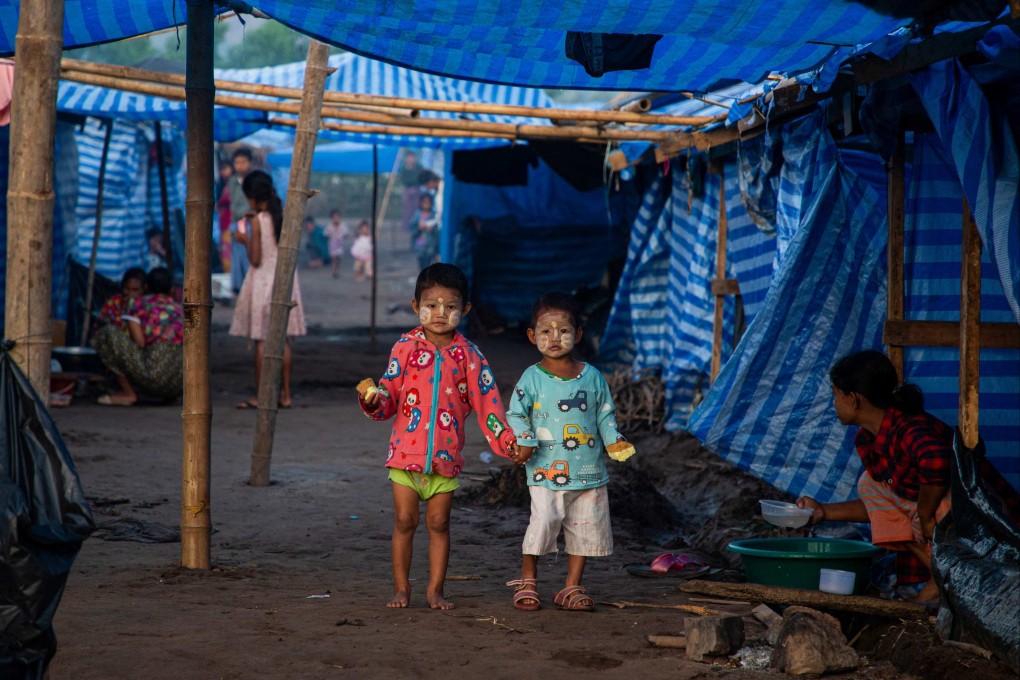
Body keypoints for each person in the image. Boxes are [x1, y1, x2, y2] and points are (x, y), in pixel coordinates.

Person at [357, 263, 517, 610]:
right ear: (416, 306)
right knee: (404, 521)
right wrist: (374, 399)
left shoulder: (471, 357)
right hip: (404, 457)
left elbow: (489, 404)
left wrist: (506, 441)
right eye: (431, 305)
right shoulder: (404, 347)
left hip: (445, 460)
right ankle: (402, 588)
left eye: (451, 306)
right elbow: (389, 394)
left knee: (439, 523)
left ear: (466, 310)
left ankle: (435, 590)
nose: (440, 313)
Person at [504, 292, 634, 612]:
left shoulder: (592, 377)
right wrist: (524, 439)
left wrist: (613, 440)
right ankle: (528, 578)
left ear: (576, 335)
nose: (554, 338)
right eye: (545, 331)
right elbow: (516, 414)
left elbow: (604, 414)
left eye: (563, 330)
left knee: (585, 528)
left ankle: (572, 586)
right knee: (544, 520)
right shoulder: (531, 378)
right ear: (532, 335)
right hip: (546, 470)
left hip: (589, 472)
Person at [796, 350, 952, 604]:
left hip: (968, 517)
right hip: (932, 526)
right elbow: (884, 502)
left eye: (836, 395)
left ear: (855, 399)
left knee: (929, 496)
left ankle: (945, 576)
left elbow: (936, 460)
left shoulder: (908, 427)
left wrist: (924, 514)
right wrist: (823, 511)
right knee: (870, 484)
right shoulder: (868, 439)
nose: (833, 403)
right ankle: (939, 575)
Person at [228, 170, 306, 410]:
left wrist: (244, 239)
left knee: (262, 340)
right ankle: (285, 394)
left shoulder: (257, 221)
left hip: (262, 282)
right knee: (283, 340)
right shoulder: (282, 215)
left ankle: (262, 396)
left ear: (251, 197)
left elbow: (255, 258)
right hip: (284, 280)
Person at [93, 267, 183, 406]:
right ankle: (170, 395)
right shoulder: (179, 309)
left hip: (155, 376)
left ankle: (128, 393)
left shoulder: (137, 304)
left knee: (107, 333)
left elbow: (140, 342)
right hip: (181, 383)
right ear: (171, 289)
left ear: (146, 287)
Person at [225, 147, 254, 294]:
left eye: (243, 162)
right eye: (237, 162)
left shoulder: (254, 180)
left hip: (250, 223)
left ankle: (249, 284)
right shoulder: (232, 180)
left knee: (248, 254)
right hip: (236, 223)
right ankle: (238, 286)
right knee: (236, 255)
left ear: (250, 163)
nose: (240, 165)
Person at [409, 193, 439, 270]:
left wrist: (433, 229)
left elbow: (439, 232)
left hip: (431, 247)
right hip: (419, 247)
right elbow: (412, 229)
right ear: (421, 203)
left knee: (429, 267)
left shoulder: (434, 215)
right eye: (424, 202)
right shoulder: (417, 215)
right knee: (422, 267)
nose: (426, 204)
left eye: (428, 202)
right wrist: (419, 228)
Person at [325, 209, 349, 279]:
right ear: (331, 218)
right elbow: (326, 234)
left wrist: (342, 236)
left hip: (339, 245)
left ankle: (337, 269)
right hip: (332, 245)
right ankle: (334, 271)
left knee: (338, 258)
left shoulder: (342, 226)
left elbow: (346, 234)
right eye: (334, 217)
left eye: (337, 217)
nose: (336, 219)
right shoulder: (329, 226)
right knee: (333, 259)